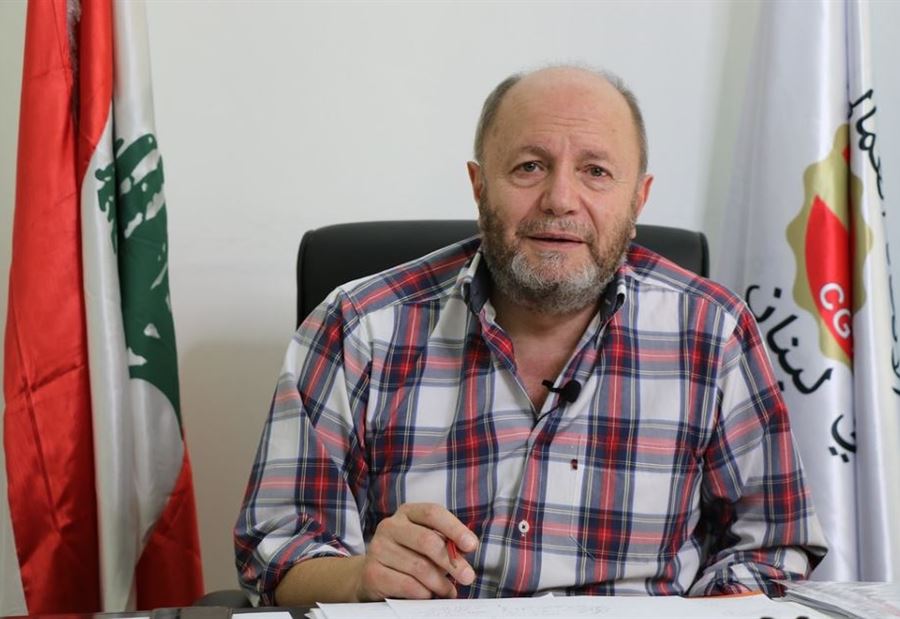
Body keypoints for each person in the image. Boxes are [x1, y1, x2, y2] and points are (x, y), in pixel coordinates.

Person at [234, 66, 827, 606]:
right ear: (479, 186)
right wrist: (361, 577)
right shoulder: (359, 326)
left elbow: (772, 546)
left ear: (638, 199)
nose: (560, 200)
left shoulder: (713, 332)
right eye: (529, 167)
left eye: (596, 172)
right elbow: (277, 551)